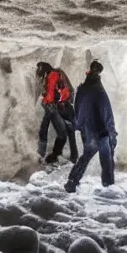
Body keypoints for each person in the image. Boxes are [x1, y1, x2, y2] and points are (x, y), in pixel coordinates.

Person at [65, 60, 116, 193]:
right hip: (101, 131)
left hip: (88, 130)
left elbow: (77, 109)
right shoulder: (99, 90)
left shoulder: (82, 89)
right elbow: (107, 112)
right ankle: (108, 186)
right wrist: (112, 132)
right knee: (106, 159)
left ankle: (72, 181)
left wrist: (79, 125)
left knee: (86, 155)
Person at [35, 62, 79, 164]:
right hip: (67, 105)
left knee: (49, 128)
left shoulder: (52, 75)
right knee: (70, 132)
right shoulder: (60, 72)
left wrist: (45, 101)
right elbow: (69, 89)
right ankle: (74, 156)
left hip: (59, 106)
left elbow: (50, 95)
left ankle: (45, 154)